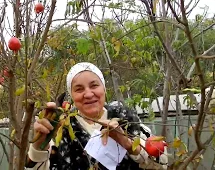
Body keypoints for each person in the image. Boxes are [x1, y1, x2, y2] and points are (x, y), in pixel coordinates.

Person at [25, 62, 168, 170]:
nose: (88, 94)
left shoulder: (126, 118)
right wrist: (38, 146)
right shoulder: (61, 129)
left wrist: (128, 144)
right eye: (79, 89)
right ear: (72, 96)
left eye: (94, 86)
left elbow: (161, 164)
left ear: (104, 89)